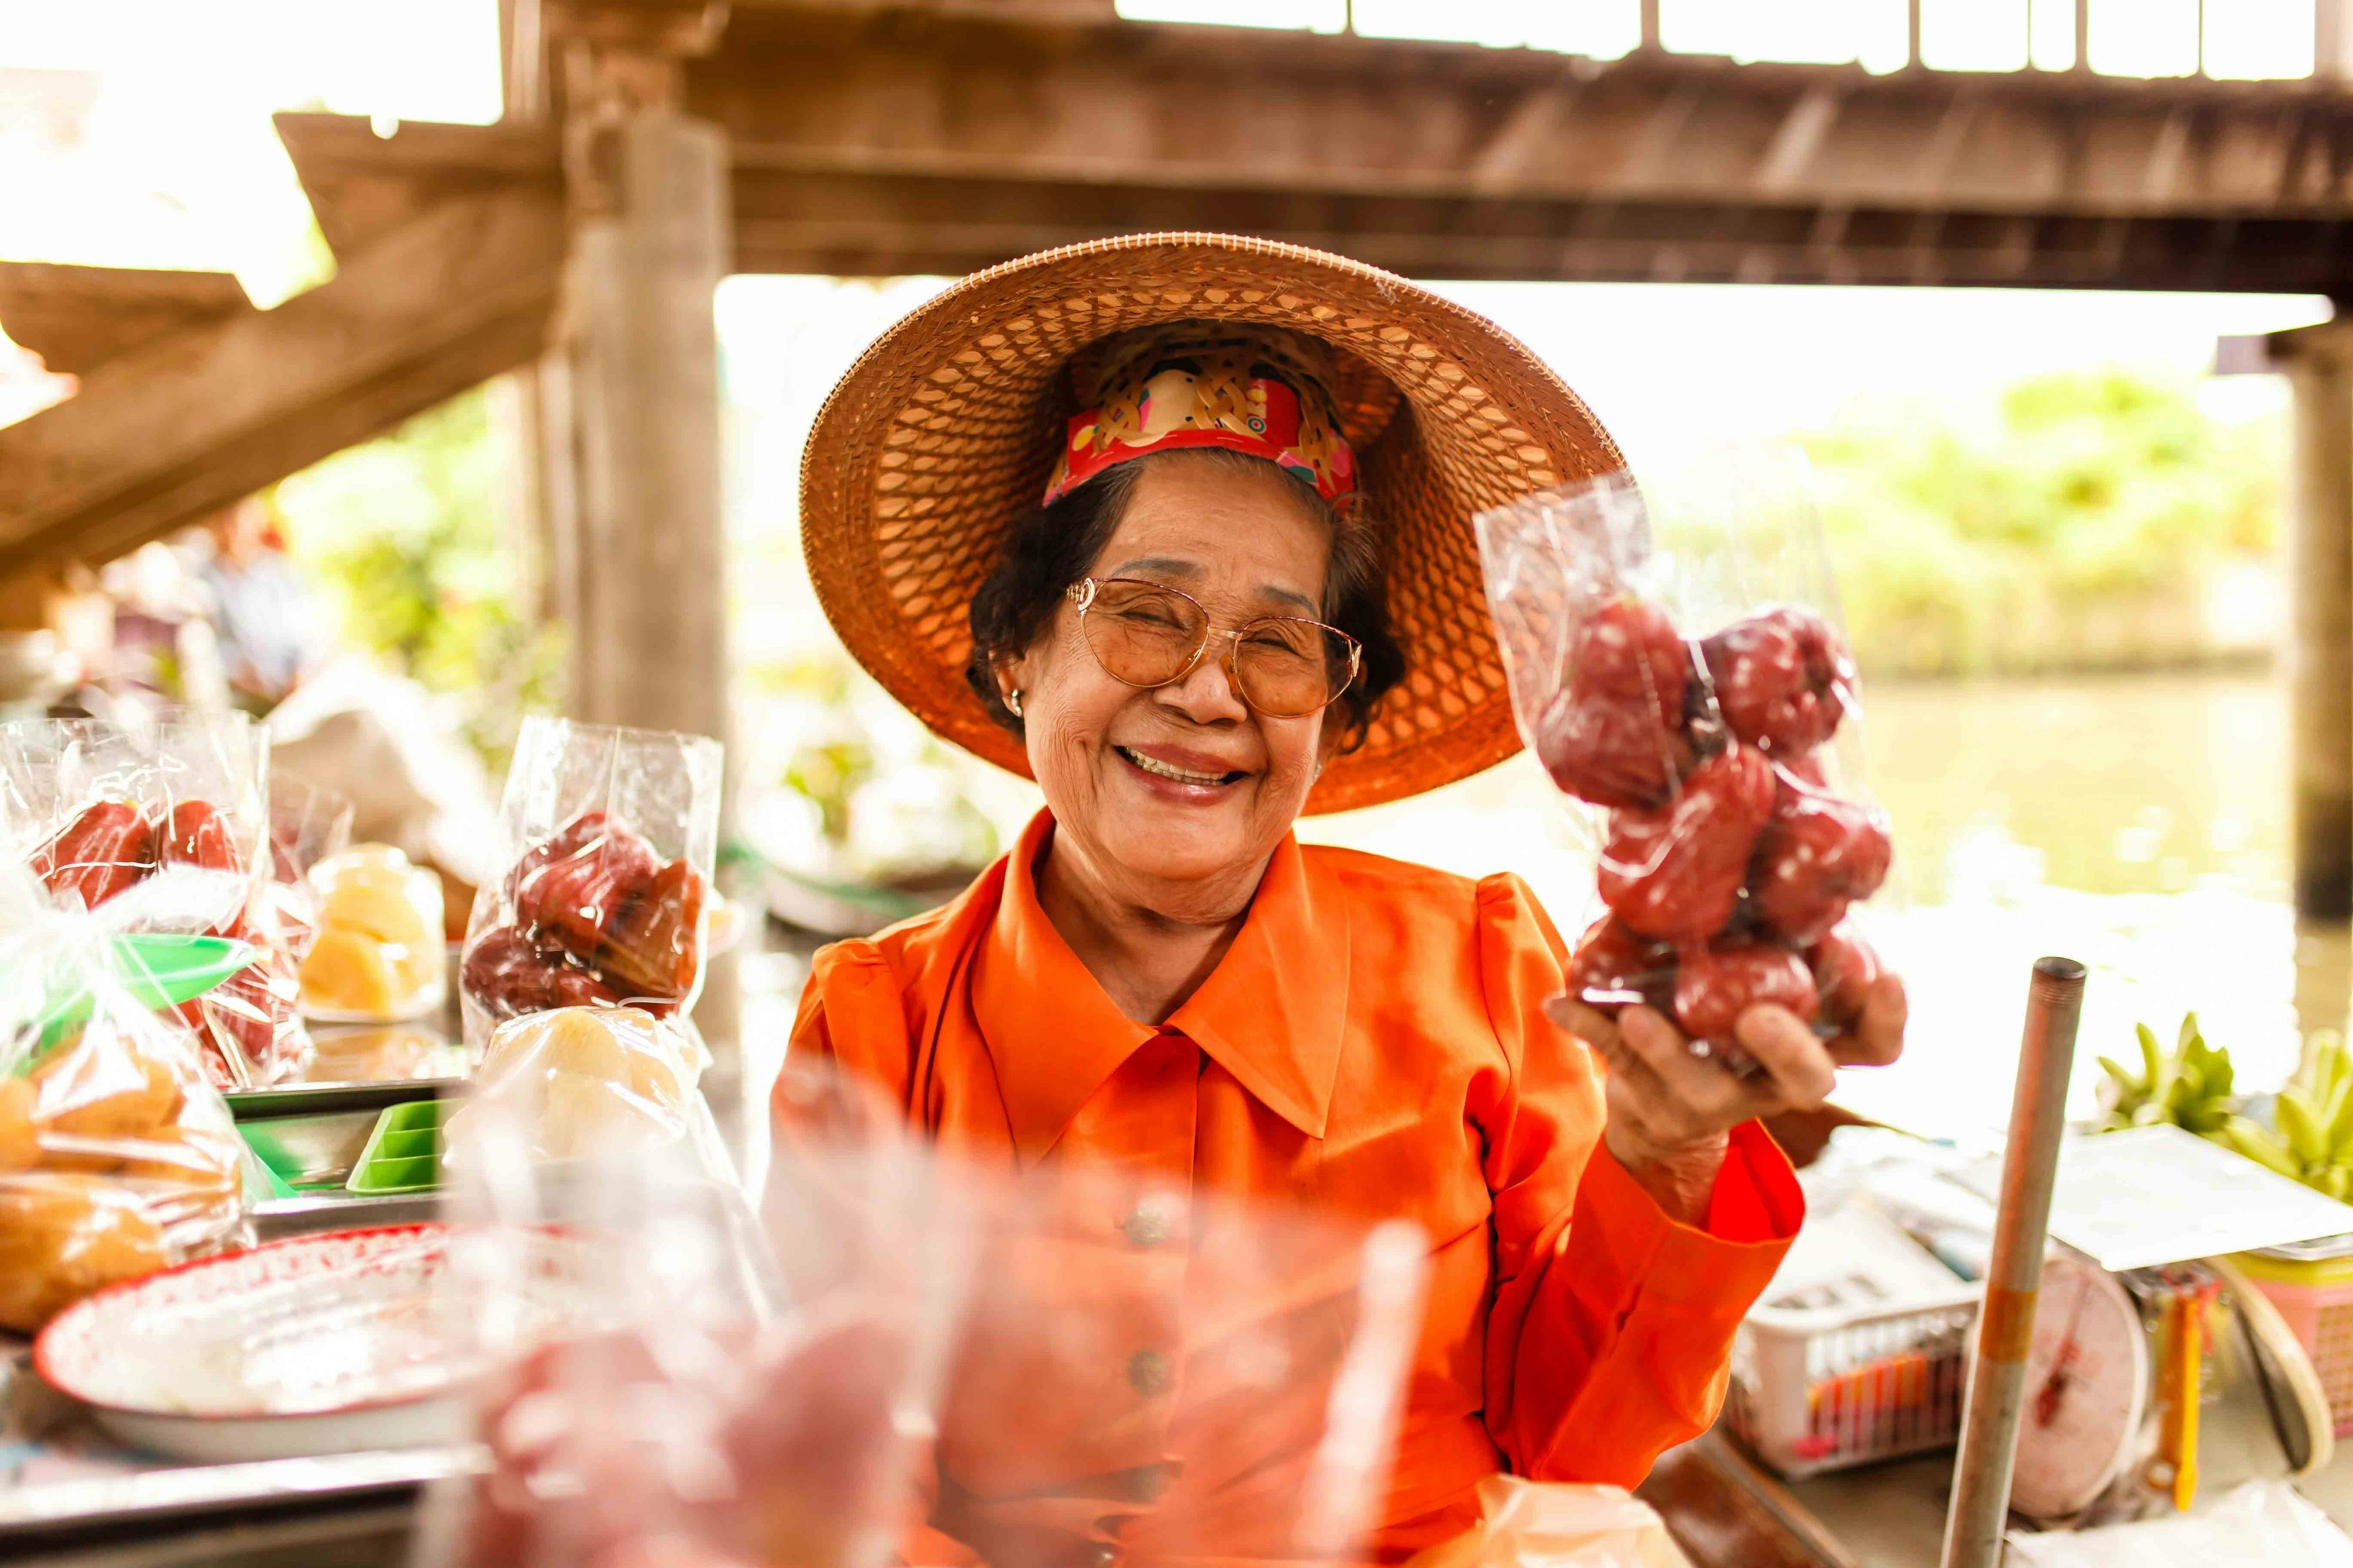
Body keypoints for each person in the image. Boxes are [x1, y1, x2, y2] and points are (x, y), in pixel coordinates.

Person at [780, 235, 1907, 1561]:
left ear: (1334, 714)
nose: (1209, 692)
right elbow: (836, 1493)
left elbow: (1577, 1451)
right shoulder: (874, 1026)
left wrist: (1666, 1156)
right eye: (1145, 613)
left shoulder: (1486, 966)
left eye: (1279, 641)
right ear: (1019, 649)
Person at [194, 495, 323, 712]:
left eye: (236, 522)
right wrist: (244, 678)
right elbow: (208, 647)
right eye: (222, 523)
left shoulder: (280, 571)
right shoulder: (203, 579)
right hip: (240, 702)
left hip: (294, 695)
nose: (230, 532)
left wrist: (298, 677)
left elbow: (306, 635)